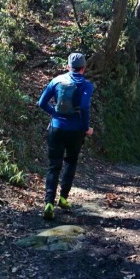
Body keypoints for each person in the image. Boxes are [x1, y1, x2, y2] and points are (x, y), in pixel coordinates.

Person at [37, 53, 94, 220]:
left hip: (56, 128)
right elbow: (84, 108)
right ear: (83, 68)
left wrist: (55, 113)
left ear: (68, 66)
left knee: (53, 165)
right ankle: (63, 198)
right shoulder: (86, 85)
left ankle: (48, 203)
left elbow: (41, 103)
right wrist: (86, 128)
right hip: (75, 131)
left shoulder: (57, 80)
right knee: (70, 162)